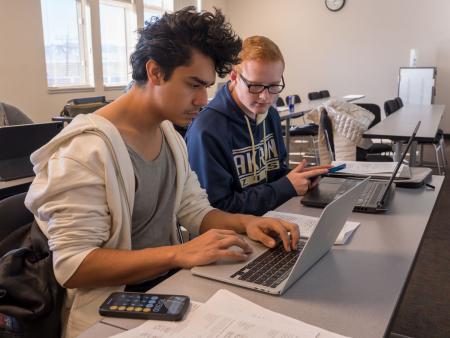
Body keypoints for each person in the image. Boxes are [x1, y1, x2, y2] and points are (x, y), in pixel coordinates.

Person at [25, 9, 301, 338]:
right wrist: (179, 253)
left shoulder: (170, 135)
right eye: (194, 85)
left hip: (169, 292)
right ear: (155, 72)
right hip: (110, 312)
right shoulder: (83, 151)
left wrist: (247, 223)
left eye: (207, 86)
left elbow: (194, 210)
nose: (203, 99)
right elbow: (73, 266)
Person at [186, 36, 329, 216]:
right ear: (234, 77)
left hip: (270, 217)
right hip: (229, 234)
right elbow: (216, 209)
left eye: (273, 86)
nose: (265, 97)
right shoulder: (206, 130)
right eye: (255, 86)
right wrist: (285, 187)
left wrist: (299, 177)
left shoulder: (270, 115)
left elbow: (273, 174)